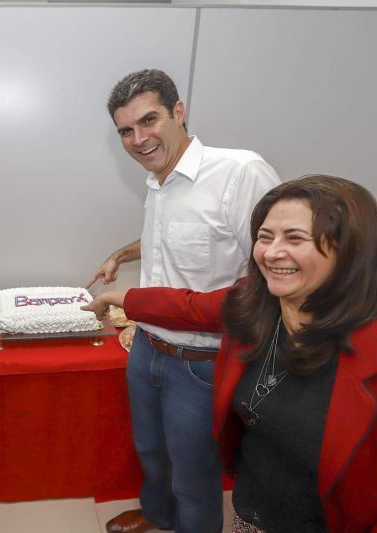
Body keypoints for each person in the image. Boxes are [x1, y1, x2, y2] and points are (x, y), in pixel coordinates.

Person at [84, 175, 377, 532]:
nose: (271, 252)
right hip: (250, 515)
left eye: (295, 238)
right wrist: (121, 299)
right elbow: (190, 307)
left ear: (351, 249)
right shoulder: (257, 303)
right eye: (265, 237)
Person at [86, 69, 281, 533]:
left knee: (194, 474)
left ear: (179, 112)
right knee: (151, 451)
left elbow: (268, 279)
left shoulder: (240, 173)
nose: (138, 139)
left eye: (148, 121)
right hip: (146, 348)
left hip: (204, 362)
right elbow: (173, 239)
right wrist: (121, 253)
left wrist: (130, 298)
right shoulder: (158, 179)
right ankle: (158, 517)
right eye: (126, 131)